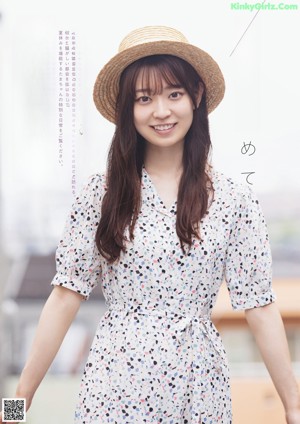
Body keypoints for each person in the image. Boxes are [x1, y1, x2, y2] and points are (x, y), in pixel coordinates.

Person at [1, 25, 299, 424]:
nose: (161, 111)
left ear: (196, 96)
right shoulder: (102, 194)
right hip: (115, 388)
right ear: (129, 109)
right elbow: (64, 297)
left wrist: (294, 407)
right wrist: (15, 405)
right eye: (145, 98)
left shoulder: (233, 200)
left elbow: (260, 308)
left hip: (200, 390)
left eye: (174, 94)